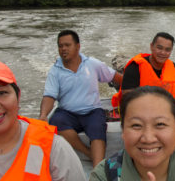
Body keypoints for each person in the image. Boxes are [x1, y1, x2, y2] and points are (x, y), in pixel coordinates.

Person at [39, 30, 122, 167]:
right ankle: (89, 153)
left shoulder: (92, 64)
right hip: (67, 113)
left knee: (97, 127)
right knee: (55, 121)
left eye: (67, 45)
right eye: (60, 46)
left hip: (92, 110)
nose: (63, 49)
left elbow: (117, 77)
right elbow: (49, 95)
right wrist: (43, 115)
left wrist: (128, 92)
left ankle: (98, 170)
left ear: (78, 47)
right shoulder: (55, 70)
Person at [112, 32, 175, 144]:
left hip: (171, 114)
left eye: (167, 50)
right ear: (151, 46)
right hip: (143, 115)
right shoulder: (134, 69)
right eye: (159, 48)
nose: (163, 53)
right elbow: (128, 101)